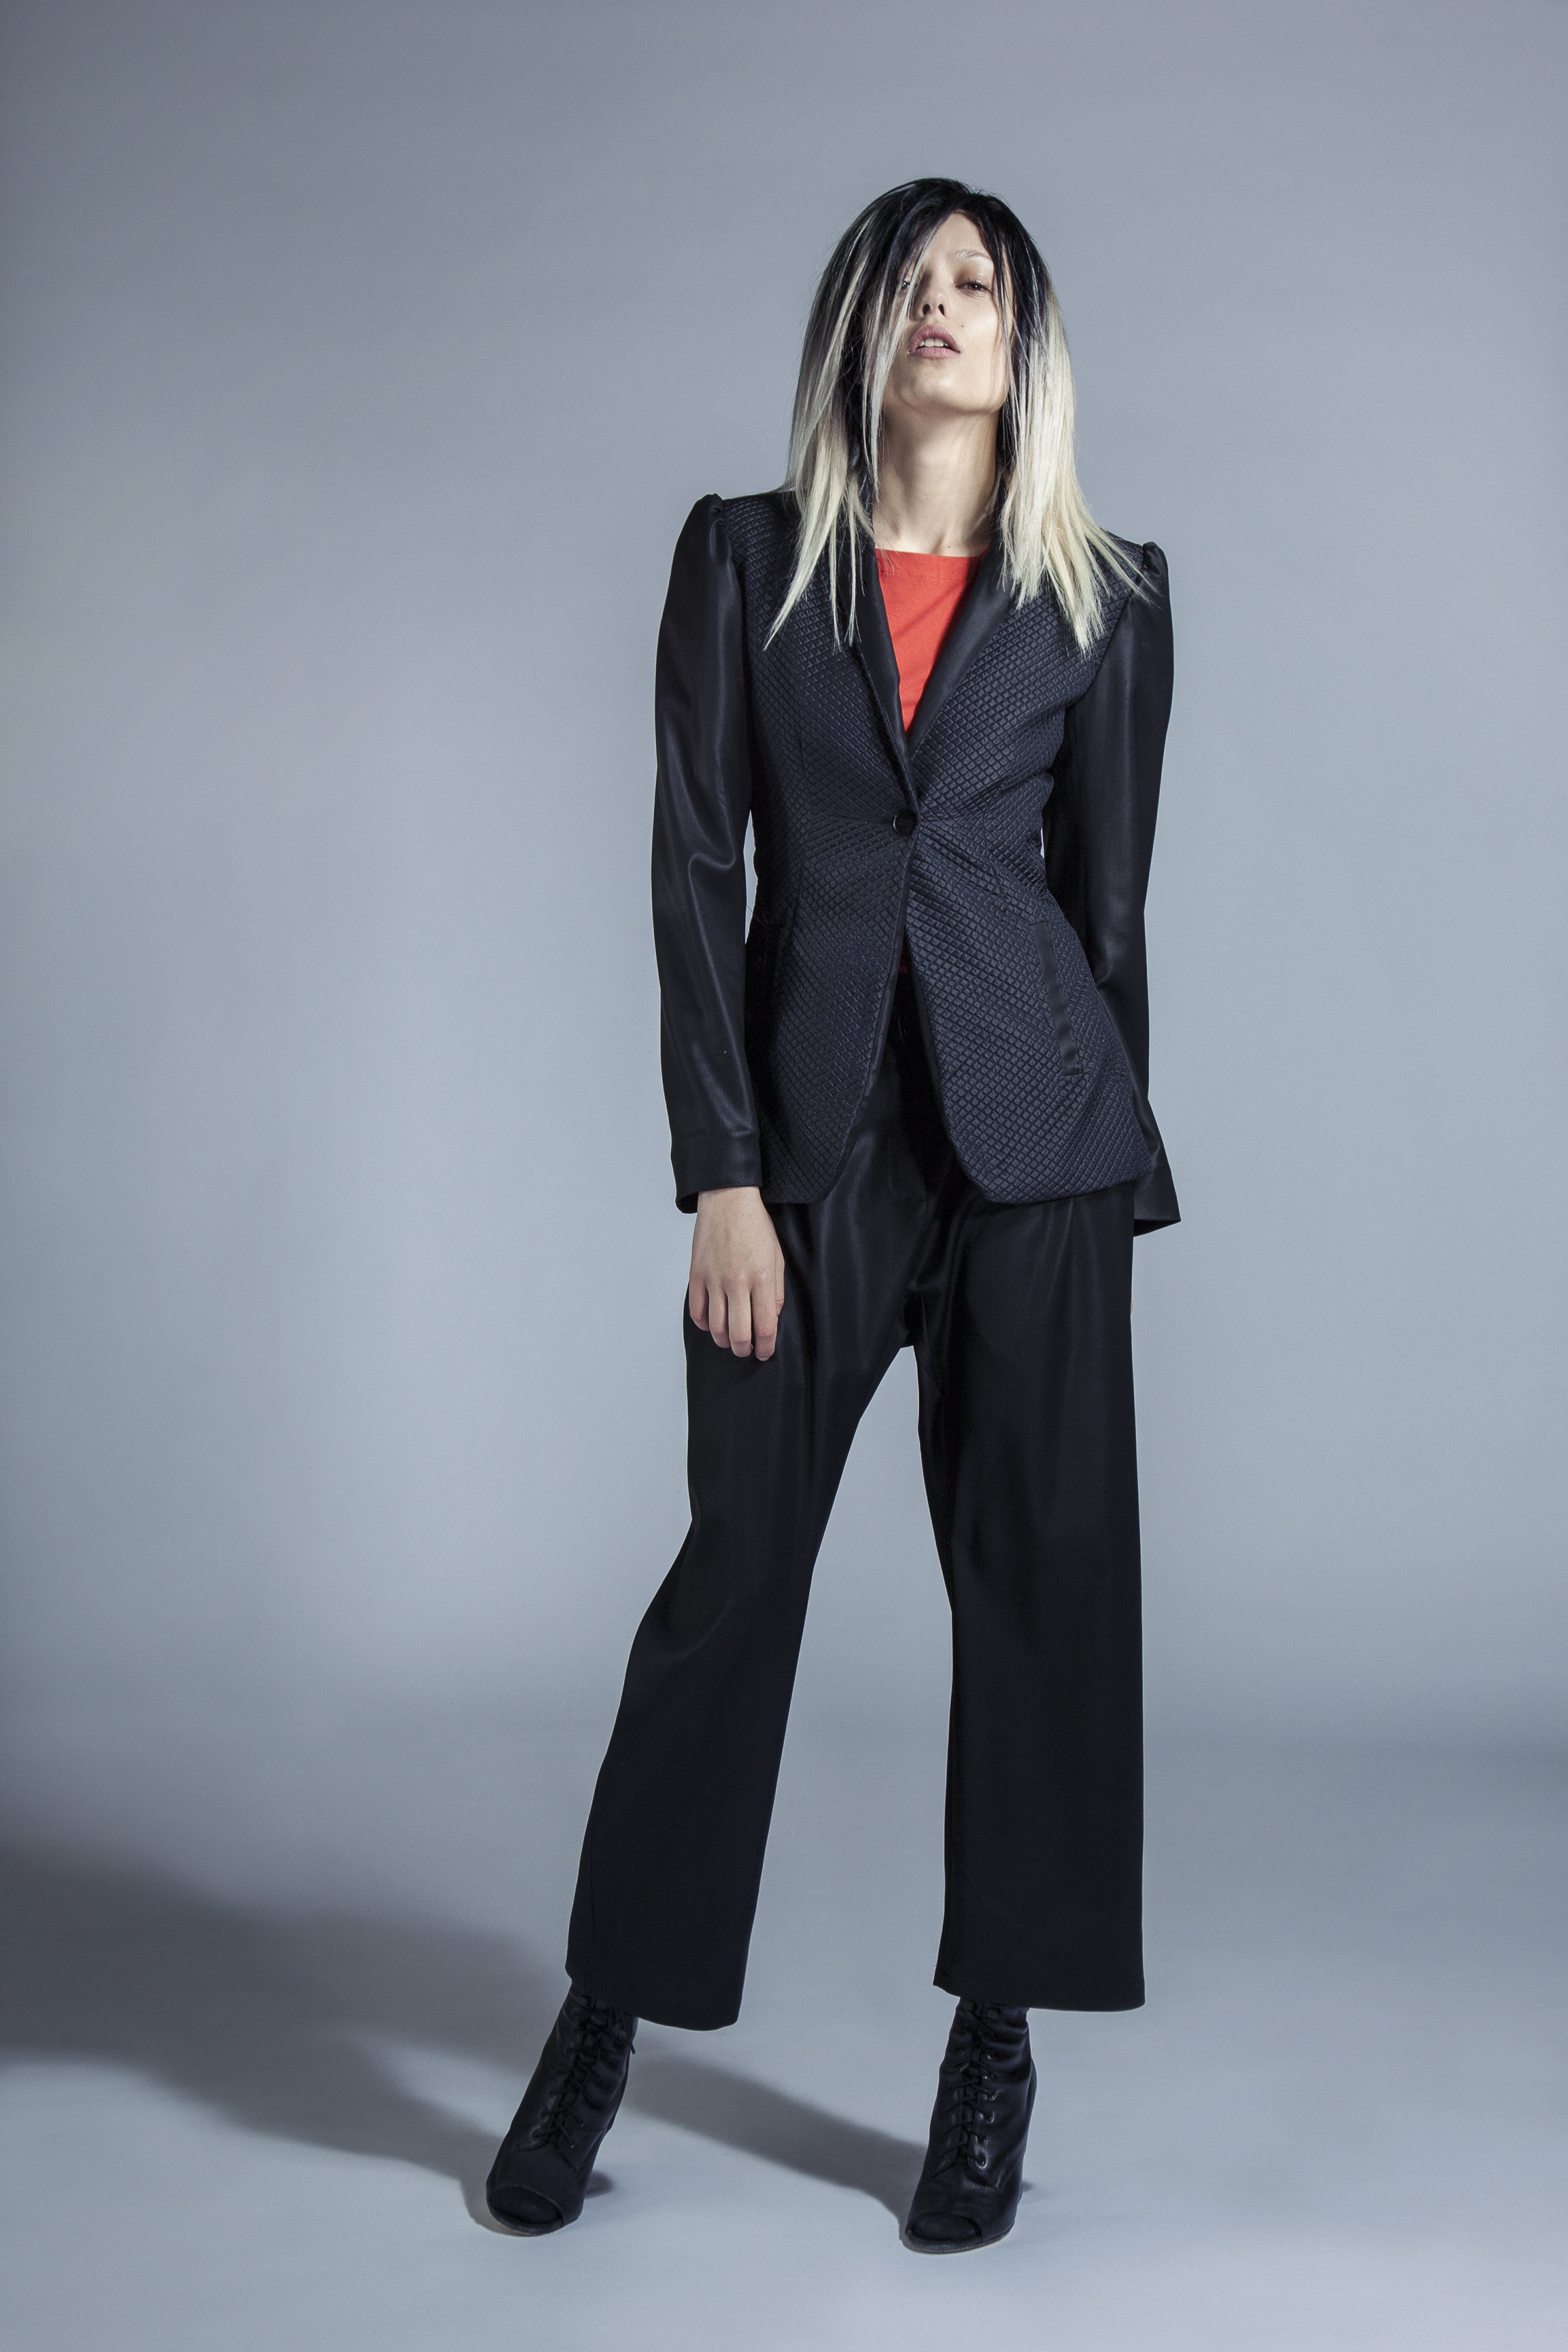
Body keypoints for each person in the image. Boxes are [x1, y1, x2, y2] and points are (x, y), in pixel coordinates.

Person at [486, 176, 1178, 2254]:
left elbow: (1108, 909)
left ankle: (994, 2047)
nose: (941, 306)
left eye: (978, 282)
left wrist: (1107, 1164)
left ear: (1023, 342)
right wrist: (722, 1170)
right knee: (734, 1580)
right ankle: (601, 2023)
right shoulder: (742, 560)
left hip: (1038, 1153)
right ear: (856, 328)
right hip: (805, 1153)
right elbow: (696, 868)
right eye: (909, 279)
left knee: (1046, 1595)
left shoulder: (1107, 595)